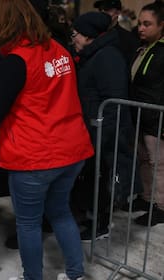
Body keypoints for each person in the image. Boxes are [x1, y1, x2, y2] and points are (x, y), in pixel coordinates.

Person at [0, 1, 94, 279]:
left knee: (28, 223)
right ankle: (76, 274)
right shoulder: (57, 49)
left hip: (35, 156)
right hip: (72, 150)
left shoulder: (16, 59)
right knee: (61, 213)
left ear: (5, 23)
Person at [70, 12, 139, 241]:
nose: (74, 39)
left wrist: (102, 137)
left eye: (76, 34)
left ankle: (99, 225)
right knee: (91, 180)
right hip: (92, 131)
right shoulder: (95, 54)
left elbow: (114, 103)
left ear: (89, 36)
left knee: (101, 180)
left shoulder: (107, 57)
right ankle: (91, 217)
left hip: (103, 134)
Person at [129, 1, 164, 226]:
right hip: (140, 114)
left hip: (156, 117)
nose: (141, 28)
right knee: (144, 160)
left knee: (158, 163)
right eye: (140, 23)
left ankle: (162, 207)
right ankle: (147, 198)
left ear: (162, 25)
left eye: (147, 24)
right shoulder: (144, 46)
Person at [93, 0, 140, 67]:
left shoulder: (128, 39)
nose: (102, 12)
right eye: (100, 9)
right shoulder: (92, 35)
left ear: (118, 12)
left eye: (107, 9)